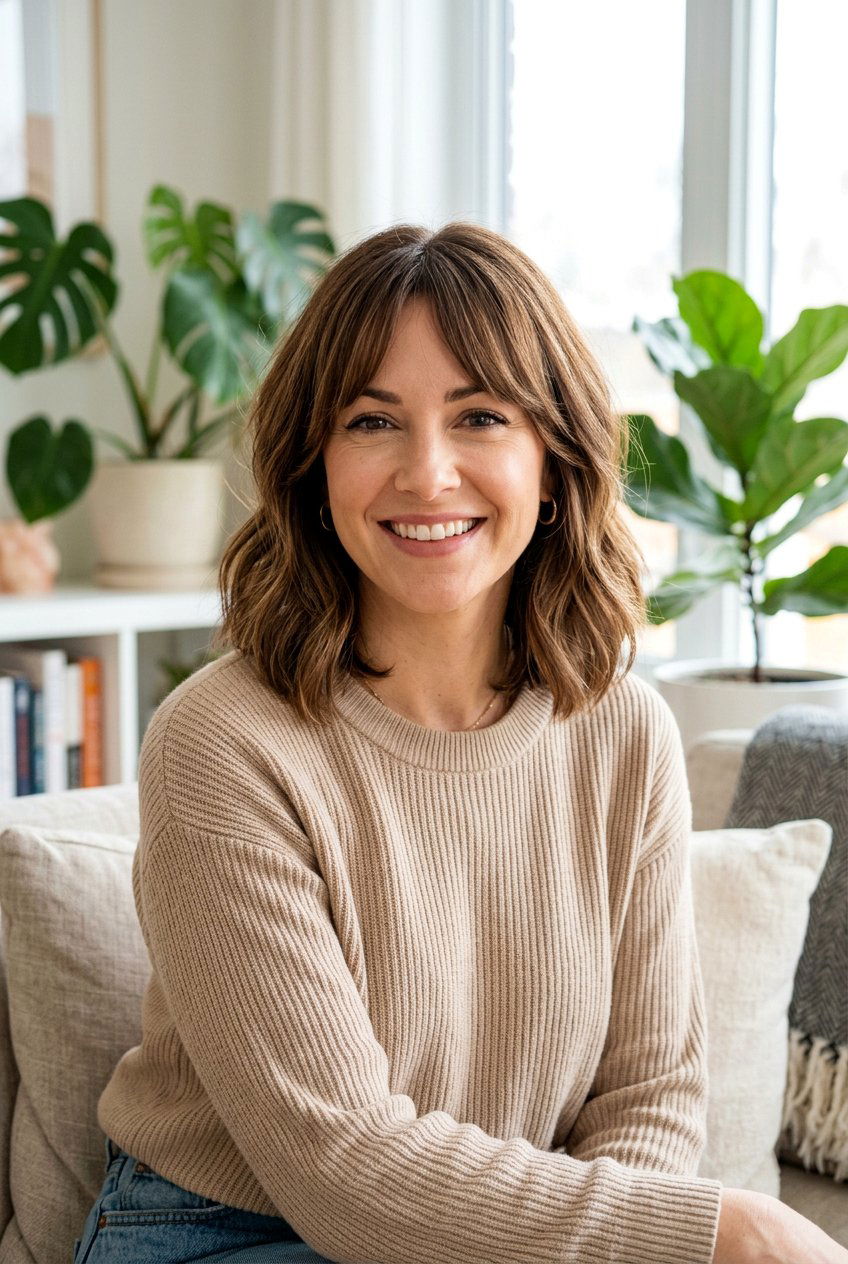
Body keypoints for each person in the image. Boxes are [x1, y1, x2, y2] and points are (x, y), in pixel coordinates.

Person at [74, 222, 848, 1264]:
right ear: (313, 466)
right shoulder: (222, 743)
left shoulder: (624, 733)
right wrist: (720, 1228)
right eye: (372, 422)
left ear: (552, 458)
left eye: (479, 415)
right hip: (232, 1233)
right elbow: (340, 1167)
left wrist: (646, 1238)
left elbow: (649, 1096)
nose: (427, 473)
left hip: (517, 1232)